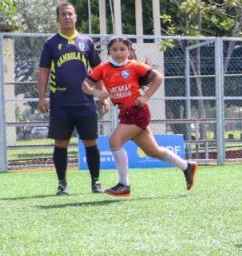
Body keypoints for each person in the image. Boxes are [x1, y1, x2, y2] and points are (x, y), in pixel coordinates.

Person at [82, 36, 197, 197]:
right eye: (114, 49)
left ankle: (124, 185)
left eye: (122, 49)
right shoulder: (103, 68)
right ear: (109, 51)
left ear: (129, 51)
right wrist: (96, 92)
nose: (118, 52)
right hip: (125, 113)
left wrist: (145, 97)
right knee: (153, 151)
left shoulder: (134, 66)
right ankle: (187, 166)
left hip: (137, 112)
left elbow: (158, 77)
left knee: (114, 141)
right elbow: (85, 84)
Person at [37, 3, 107, 195]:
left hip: (85, 102)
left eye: (70, 14)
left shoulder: (87, 41)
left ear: (75, 17)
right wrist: (42, 97)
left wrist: (102, 95)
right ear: (58, 18)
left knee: (90, 142)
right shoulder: (51, 43)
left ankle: (96, 182)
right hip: (60, 103)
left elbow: (98, 70)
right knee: (61, 144)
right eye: (63, 14)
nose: (67, 17)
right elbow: (44, 71)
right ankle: (62, 184)